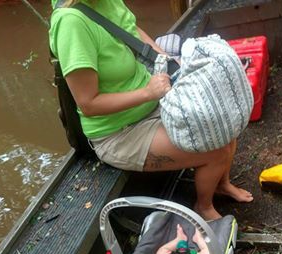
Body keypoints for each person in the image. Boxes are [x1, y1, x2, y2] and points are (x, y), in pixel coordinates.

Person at [49, 0, 253, 221]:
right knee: (217, 150)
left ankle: (221, 184)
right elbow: (88, 104)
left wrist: (169, 61)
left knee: (223, 122)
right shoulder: (71, 24)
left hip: (153, 101)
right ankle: (203, 207)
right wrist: (147, 93)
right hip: (120, 131)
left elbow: (130, 29)